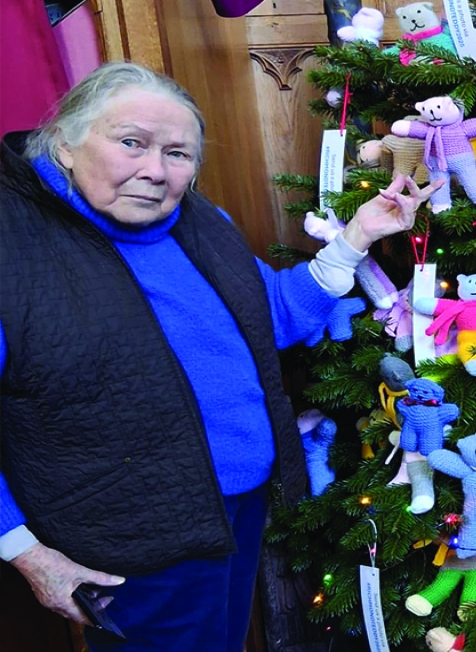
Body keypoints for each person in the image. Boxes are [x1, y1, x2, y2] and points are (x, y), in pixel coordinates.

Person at [0, 62, 439, 651]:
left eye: (178, 154)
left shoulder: (203, 222)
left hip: (235, 508)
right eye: (131, 143)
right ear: (65, 144)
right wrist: (24, 551)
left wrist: (355, 239)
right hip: (130, 537)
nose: (154, 171)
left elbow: (273, 316)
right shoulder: (15, 247)